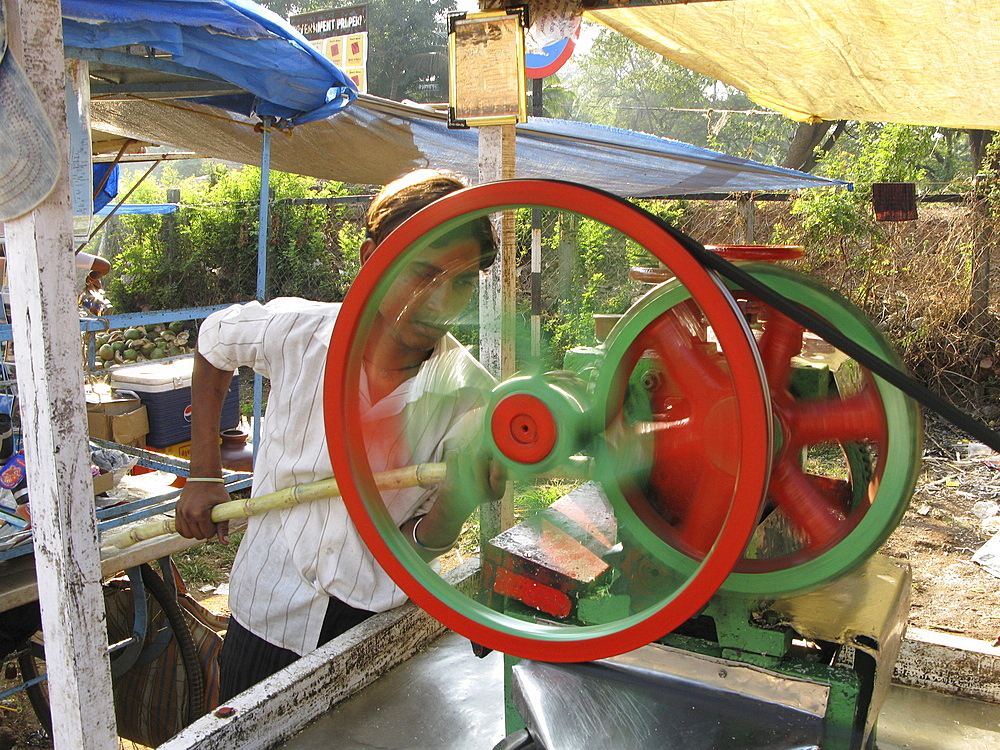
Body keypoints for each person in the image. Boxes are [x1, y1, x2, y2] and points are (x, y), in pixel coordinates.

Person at [175, 169, 502, 701]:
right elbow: (214, 343)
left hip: (373, 629)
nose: (440, 302)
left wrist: (456, 504)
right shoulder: (298, 335)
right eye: (423, 273)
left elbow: (421, 544)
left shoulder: (471, 398)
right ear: (371, 257)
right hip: (266, 610)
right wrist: (203, 472)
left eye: (462, 281)